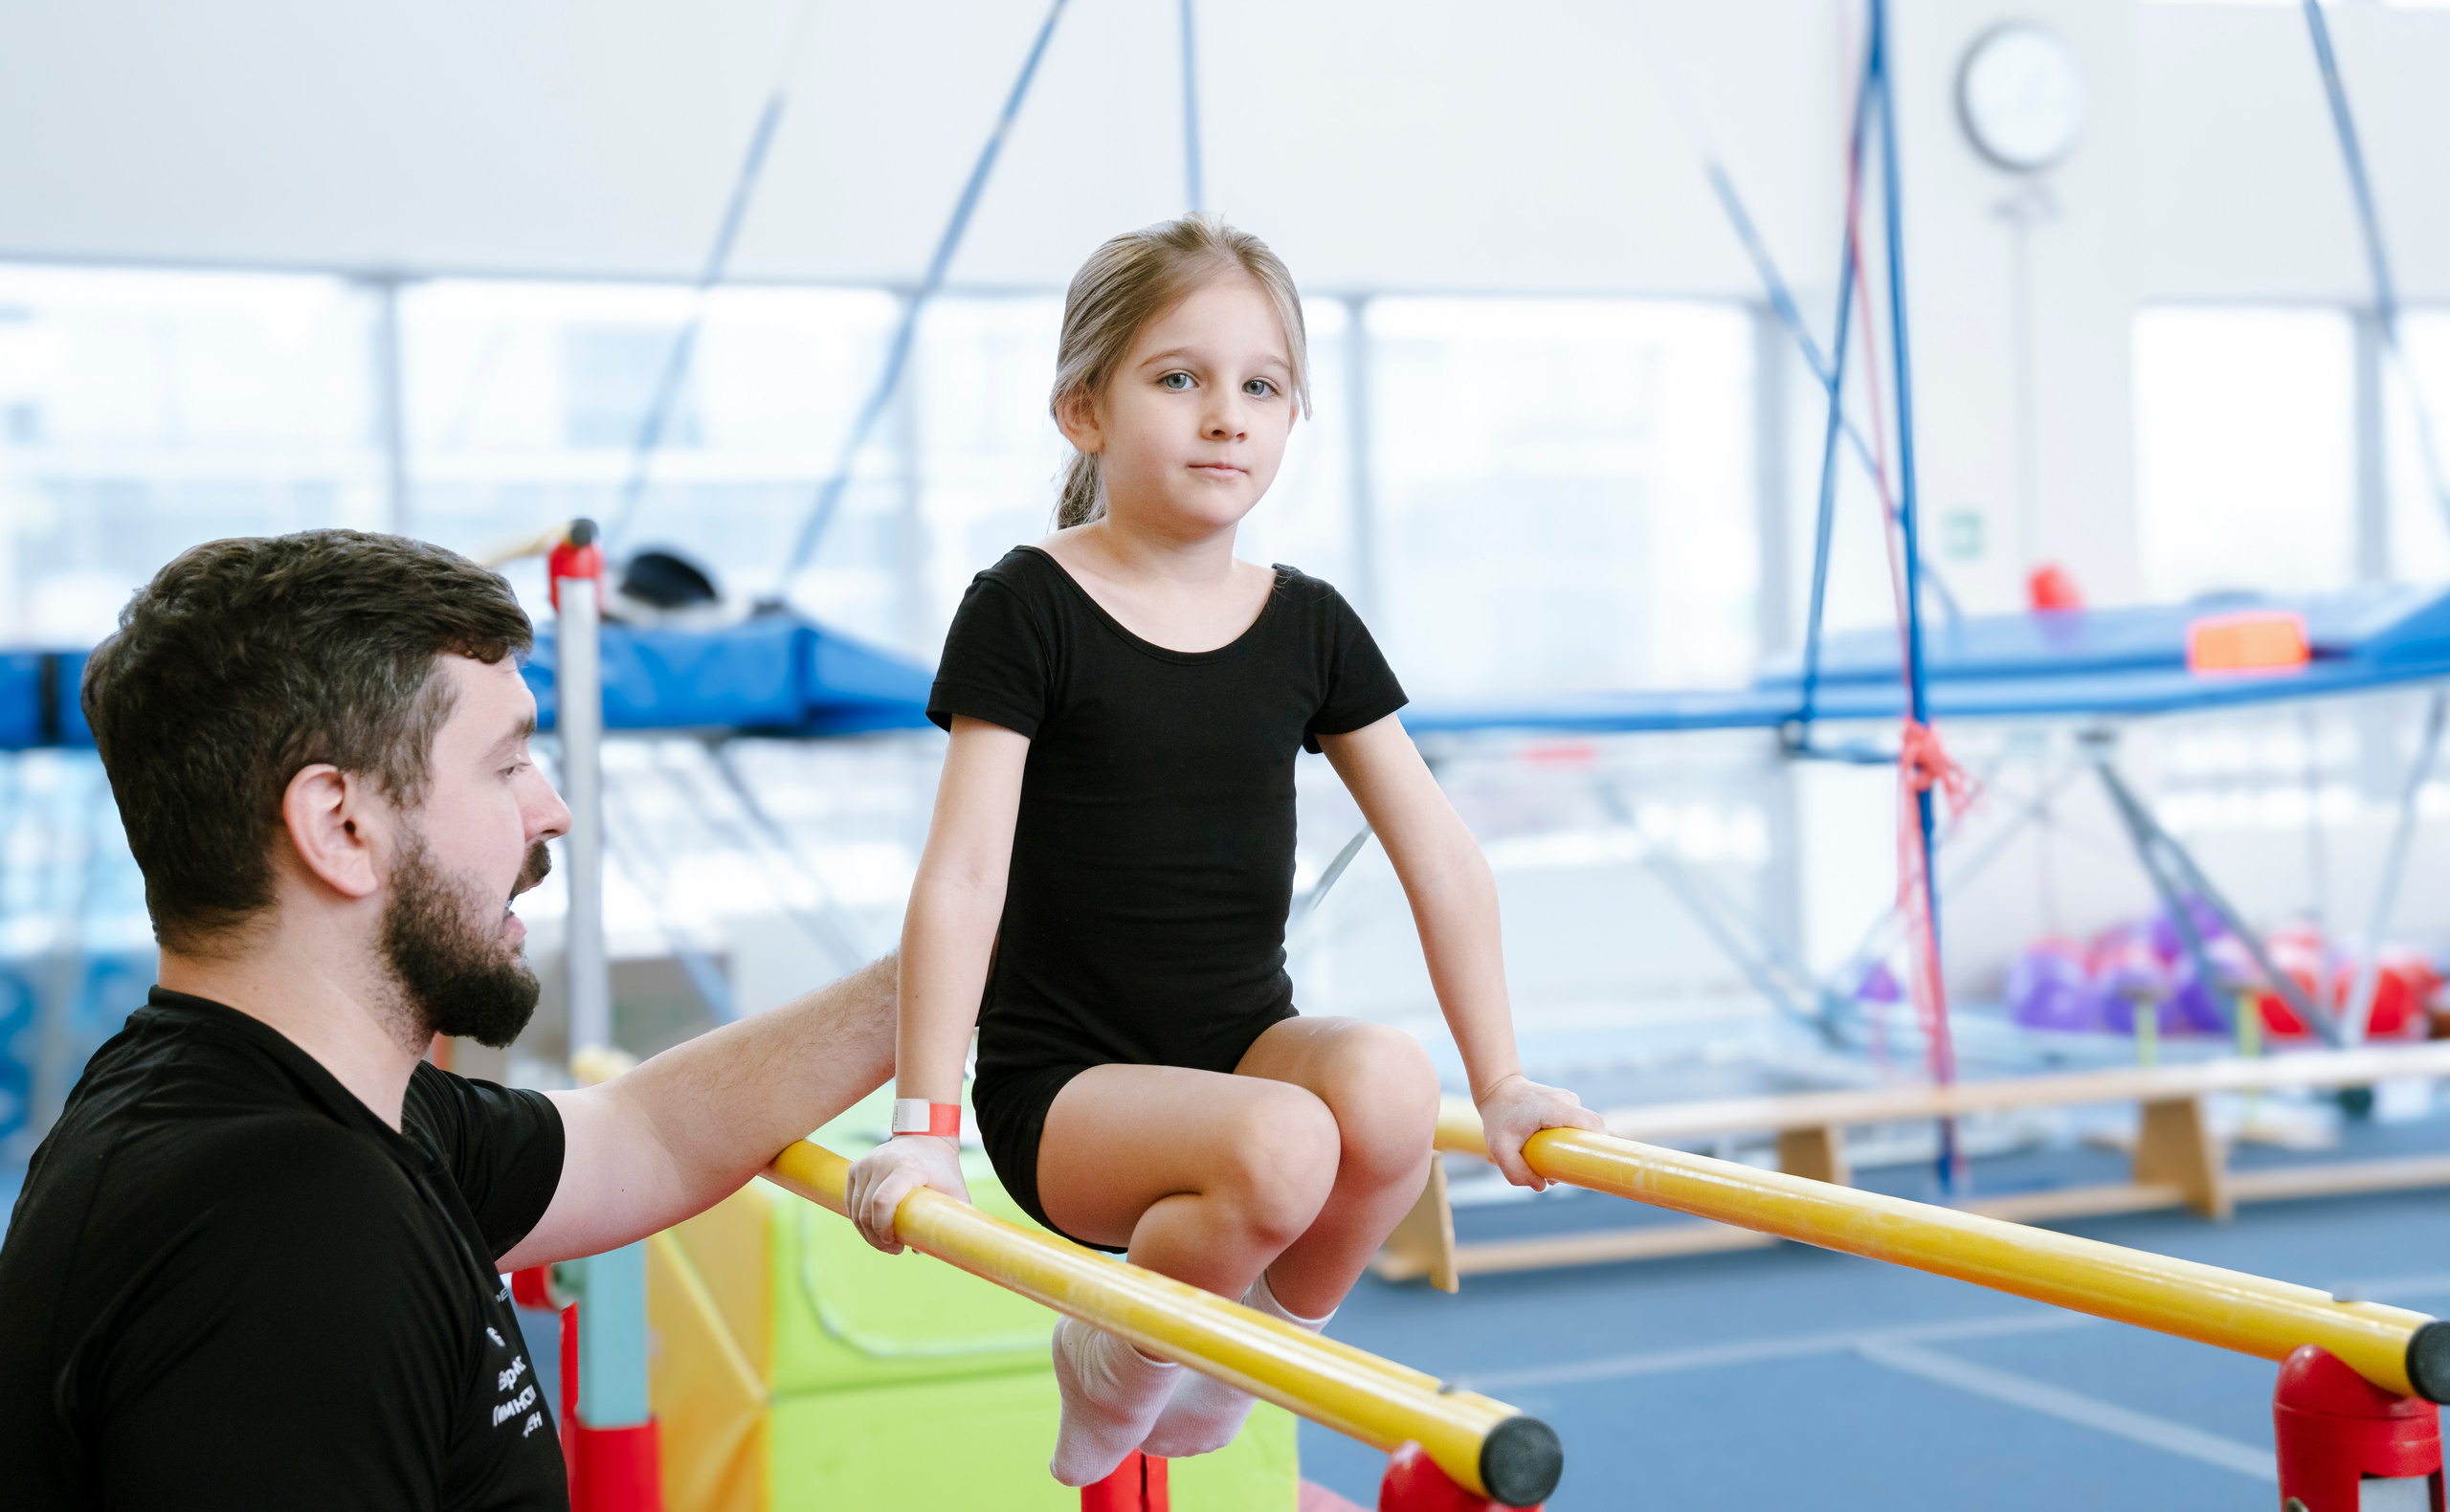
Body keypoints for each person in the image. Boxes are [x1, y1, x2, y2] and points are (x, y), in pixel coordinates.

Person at [844, 214, 1602, 1486]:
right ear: (1084, 410)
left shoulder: (1307, 623)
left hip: (1242, 1051)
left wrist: (1506, 1079)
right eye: (1179, 377)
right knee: (1285, 1142)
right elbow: (964, 875)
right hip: (1069, 1093)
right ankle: (1113, 1352)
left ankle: (1247, 1346)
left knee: (1392, 1086)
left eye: (1262, 386)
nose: (1225, 417)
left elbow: (1440, 854)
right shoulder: (1028, 605)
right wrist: (923, 1125)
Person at [0, 530, 899, 1511]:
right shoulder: (291, 1245)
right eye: (507, 764)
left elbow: (647, 1134)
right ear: (341, 827)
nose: (551, 810)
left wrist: (955, 955)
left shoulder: (272, 1101)